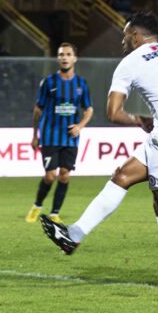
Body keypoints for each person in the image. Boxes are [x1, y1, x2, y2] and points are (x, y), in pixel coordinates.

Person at [38, 12, 158, 288]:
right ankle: (75, 234)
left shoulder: (130, 63)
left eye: (124, 34)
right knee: (122, 176)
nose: (122, 40)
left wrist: (139, 120)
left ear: (135, 35)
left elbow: (112, 112)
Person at [27, 43, 94, 223]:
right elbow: (37, 110)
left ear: (74, 58)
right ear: (58, 58)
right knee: (50, 176)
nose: (64, 57)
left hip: (71, 137)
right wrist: (35, 135)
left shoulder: (81, 84)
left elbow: (88, 109)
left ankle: (55, 213)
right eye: (61, 54)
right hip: (50, 134)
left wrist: (80, 126)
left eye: (68, 54)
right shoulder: (48, 82)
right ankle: (37, 205)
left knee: (64, 174)